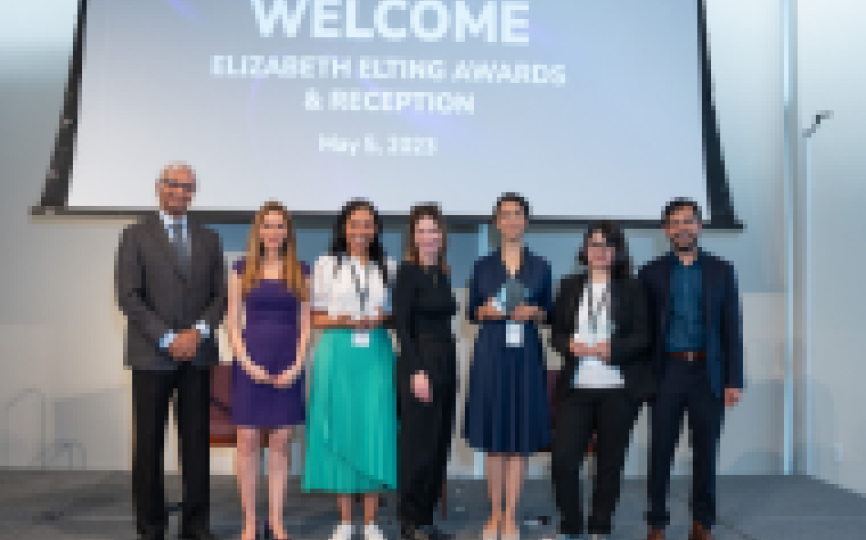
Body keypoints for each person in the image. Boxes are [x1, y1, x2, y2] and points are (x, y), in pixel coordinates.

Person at [115, 162, 227, 540]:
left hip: (197, 355)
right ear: (159, 187)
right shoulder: (134, 235)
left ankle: (195, 526)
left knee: (196, 445)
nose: (182, 192)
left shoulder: (210, 238)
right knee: (148, 445)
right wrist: (168, 338)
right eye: (175, 185)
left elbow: (219, 297)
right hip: (152, 355)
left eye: (189, 187)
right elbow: (129, 297)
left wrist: (196, 333)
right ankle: (151, 527)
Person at [640, 199, 744, 540]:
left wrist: (733, 380)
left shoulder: (722, 270)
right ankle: (656, 523)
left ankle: (702, 523)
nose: (682, 227)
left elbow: (732, 329)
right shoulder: (650, 272)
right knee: (660, 452)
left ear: (699, 226)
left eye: (689, 221)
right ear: (666, 230)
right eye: (675, 222)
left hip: (708, 375)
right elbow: (645, 331)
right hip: (667, 372)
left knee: (706, 452)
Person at [549, 221, 653, 540]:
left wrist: (613, 348)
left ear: (617, 251)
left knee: (610, 464)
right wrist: (569, 345)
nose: (601, 250)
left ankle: (599, 527)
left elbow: (644, 336)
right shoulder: (569, 285)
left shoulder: (633, 288)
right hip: (577, 386)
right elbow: (556, 334)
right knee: (564, 461)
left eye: (608, 245)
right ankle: (571, 525)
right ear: (585, 249)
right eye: (595, 244)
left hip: (619, 389)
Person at [302, 199, 398, 540]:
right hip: (336, 351)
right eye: (355, 223)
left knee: (374, 430)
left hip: (374, 353)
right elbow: (313, 315)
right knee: (340, 428)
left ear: (375, 229)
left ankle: (371, 522)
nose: (361, 230)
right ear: (344, 227)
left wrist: (378, 318)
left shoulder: (387, 264)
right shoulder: (327, 264)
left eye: (367, 224)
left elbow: (394, 314)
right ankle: (345, 521)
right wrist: (340, 321)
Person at [464, 193, 553, 540]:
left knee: (519, 441)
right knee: (495, 440)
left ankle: (512, 516)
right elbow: (471, 312)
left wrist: (534, 312)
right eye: (505, 215)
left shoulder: (541, 265)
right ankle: (495, 514)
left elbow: (550, 312)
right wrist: (485, 311)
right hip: (491, 355)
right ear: (496, 222)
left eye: (518, 214)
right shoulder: (482, 265)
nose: (512, 220)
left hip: (526, 356)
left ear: (526, 221)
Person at [226, 201, 311, 540]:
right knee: (246, 443)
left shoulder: (301, 270)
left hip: (287, 363)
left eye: (279, 226)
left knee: (280, 444)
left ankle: (275, 520)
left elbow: (306, 324)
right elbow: (232, 323)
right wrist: (246, 364)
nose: (273, 232)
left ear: (287, 232)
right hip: (250, 361)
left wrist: (296, 366)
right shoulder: (241, 268)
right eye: (268, 225)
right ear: (258, 231)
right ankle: (249, 521)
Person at [393, 204, 459, 540]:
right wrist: (417, 370)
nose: (428, 236)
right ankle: (410, 521)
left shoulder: (443, 272)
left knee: (439, 445)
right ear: (413, 236)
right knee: (417, 446)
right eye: (422, 230)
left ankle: (427, 519)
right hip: (419, 364)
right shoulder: (407, 272)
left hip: (446, 361)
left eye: (433, 230)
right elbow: (402, 326)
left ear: (441, 234)